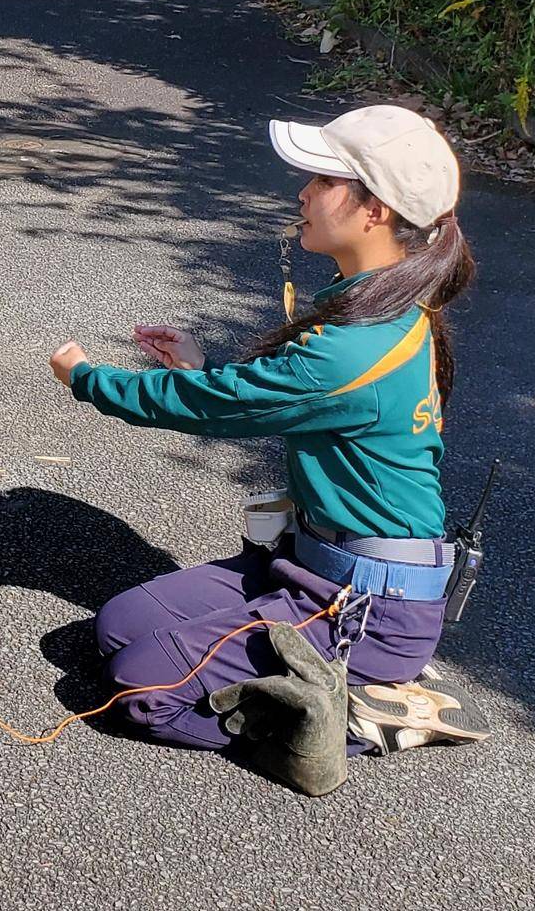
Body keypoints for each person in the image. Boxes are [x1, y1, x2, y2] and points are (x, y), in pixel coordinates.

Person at [46, 105, 492, 794]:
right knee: (115, 626)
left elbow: (217, 406)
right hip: (311, 568)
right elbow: (264, 393)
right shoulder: (390, 308)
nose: (304, 193)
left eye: (323, 179)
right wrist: (199, 367)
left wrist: (87, 379)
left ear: (375, 209)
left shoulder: (354, 346)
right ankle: (350, 673)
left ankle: (357, 712)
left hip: (368, 608)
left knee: (142, 688)